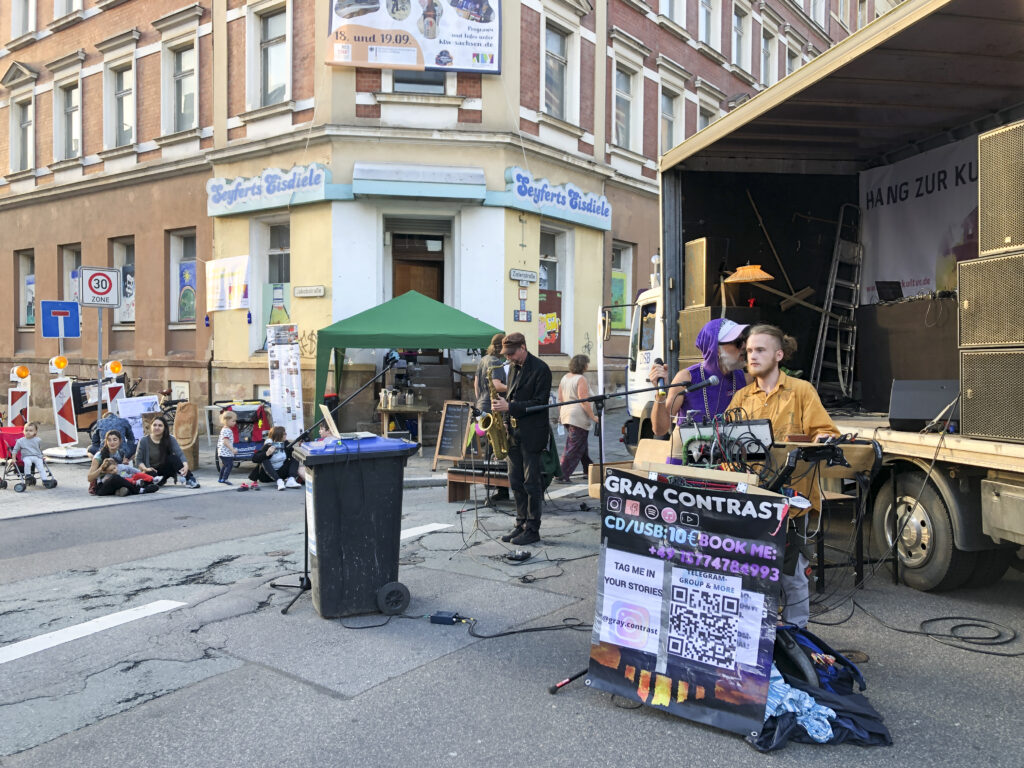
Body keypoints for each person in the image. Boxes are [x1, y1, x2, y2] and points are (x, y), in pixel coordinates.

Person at [727, 324, 839, 628]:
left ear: (779, 354)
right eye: (749, 350)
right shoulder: (740, 398)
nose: (752, 356)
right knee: (755, 575)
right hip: (752, 502)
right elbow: (724, 447)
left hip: (792, 502)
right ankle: (760, 640)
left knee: (792, 577)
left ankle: (798, 640)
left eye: (760, 350)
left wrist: (817, 443)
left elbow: (827, 433)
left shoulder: (801, 391)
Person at [648, 318, 752, 447]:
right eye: (737, 342)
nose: (744, 346)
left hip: (728, 458)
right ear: (716, 349)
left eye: (744, 341)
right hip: (688, 458)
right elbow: (660, 430)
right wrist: (660, 394)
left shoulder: (746, 379)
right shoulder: (686, 378)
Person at [491, 331, 552, 546]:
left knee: (531, 483)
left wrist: (511, 407)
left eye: (512, 353)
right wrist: (506, 418)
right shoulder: (513, 368)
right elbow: (511, 396)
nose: (508, 358)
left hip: (533, 433)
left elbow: (540, 402)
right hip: (514, 432)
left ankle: (533, 528)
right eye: (506, 354)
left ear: (523, 347)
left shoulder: (541, 369)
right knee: (515, 481)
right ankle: (520, 524)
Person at [474, 332, 510, 501]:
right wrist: (513, 387)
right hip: (493, 407)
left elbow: (475, 384)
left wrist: (480, 401)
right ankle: (500, 489)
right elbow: (497, 385)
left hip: (482, 405)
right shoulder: (496, 362)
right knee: (499, 446)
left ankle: (490, 483)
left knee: (489, 447)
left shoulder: (483, 359)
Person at [556, 354, 598, 483]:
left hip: (566, 414)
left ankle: (588, 469)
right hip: (577, 416)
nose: (588, 366)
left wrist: (561, 414)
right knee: (573, 447)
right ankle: (562, 474)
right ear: (583, 365)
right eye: (587, 363)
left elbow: (560, 398)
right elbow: (583, 400)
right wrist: (594, 417)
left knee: (581, 445)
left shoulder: (565, 378)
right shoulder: (581, 379)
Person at [135, 414, 200, 488]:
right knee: (148, 479)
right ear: (151, 426)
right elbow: (138, 460)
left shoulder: (170, 439)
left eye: (160, 425)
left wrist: (185, 465)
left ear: (164, 428)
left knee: (173, 458)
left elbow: (180, 454)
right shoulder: (144, 441)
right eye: (155, 425)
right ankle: (152, 482)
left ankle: (190, 479)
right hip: (150, 471)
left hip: (165, 470)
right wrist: (146, 468)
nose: (157, 427)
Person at [87, 430, 157, 496]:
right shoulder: (99, 456)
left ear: (120, 441)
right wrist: (100, 469)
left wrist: (145, 470)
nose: (112, 442)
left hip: (122, 479)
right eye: (109, 440)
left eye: (115, 439)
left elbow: (125, 469)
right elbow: (89, 478)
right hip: (103, 486)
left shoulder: (120, 453)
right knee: (116, 478)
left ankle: (124, 490)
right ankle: (139, 490)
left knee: (151, 473)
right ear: (106, 442)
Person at [248, 426, 302, 490]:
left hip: (281, 473)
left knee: (295, 457)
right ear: (278, 435)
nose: (286, 435)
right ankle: (279, 481)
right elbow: (254, 458)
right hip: (266, 476)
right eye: (284, 434)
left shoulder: (285, 443)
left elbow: (293, 454)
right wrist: (267, 453)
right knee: (265, 459)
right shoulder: (268, 445)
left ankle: (291, 480)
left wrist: (299, 444)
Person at [217, 410, 239, 485]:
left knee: (225, 465)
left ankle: (220, 478)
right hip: (225, 452)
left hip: (222, 452)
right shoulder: (227, 430)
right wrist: (232, 449)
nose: (235, 422)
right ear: (227, 420)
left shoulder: (224, 429)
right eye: (233, 421)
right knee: (229, 465)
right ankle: (225, 479)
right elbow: (225, 441)